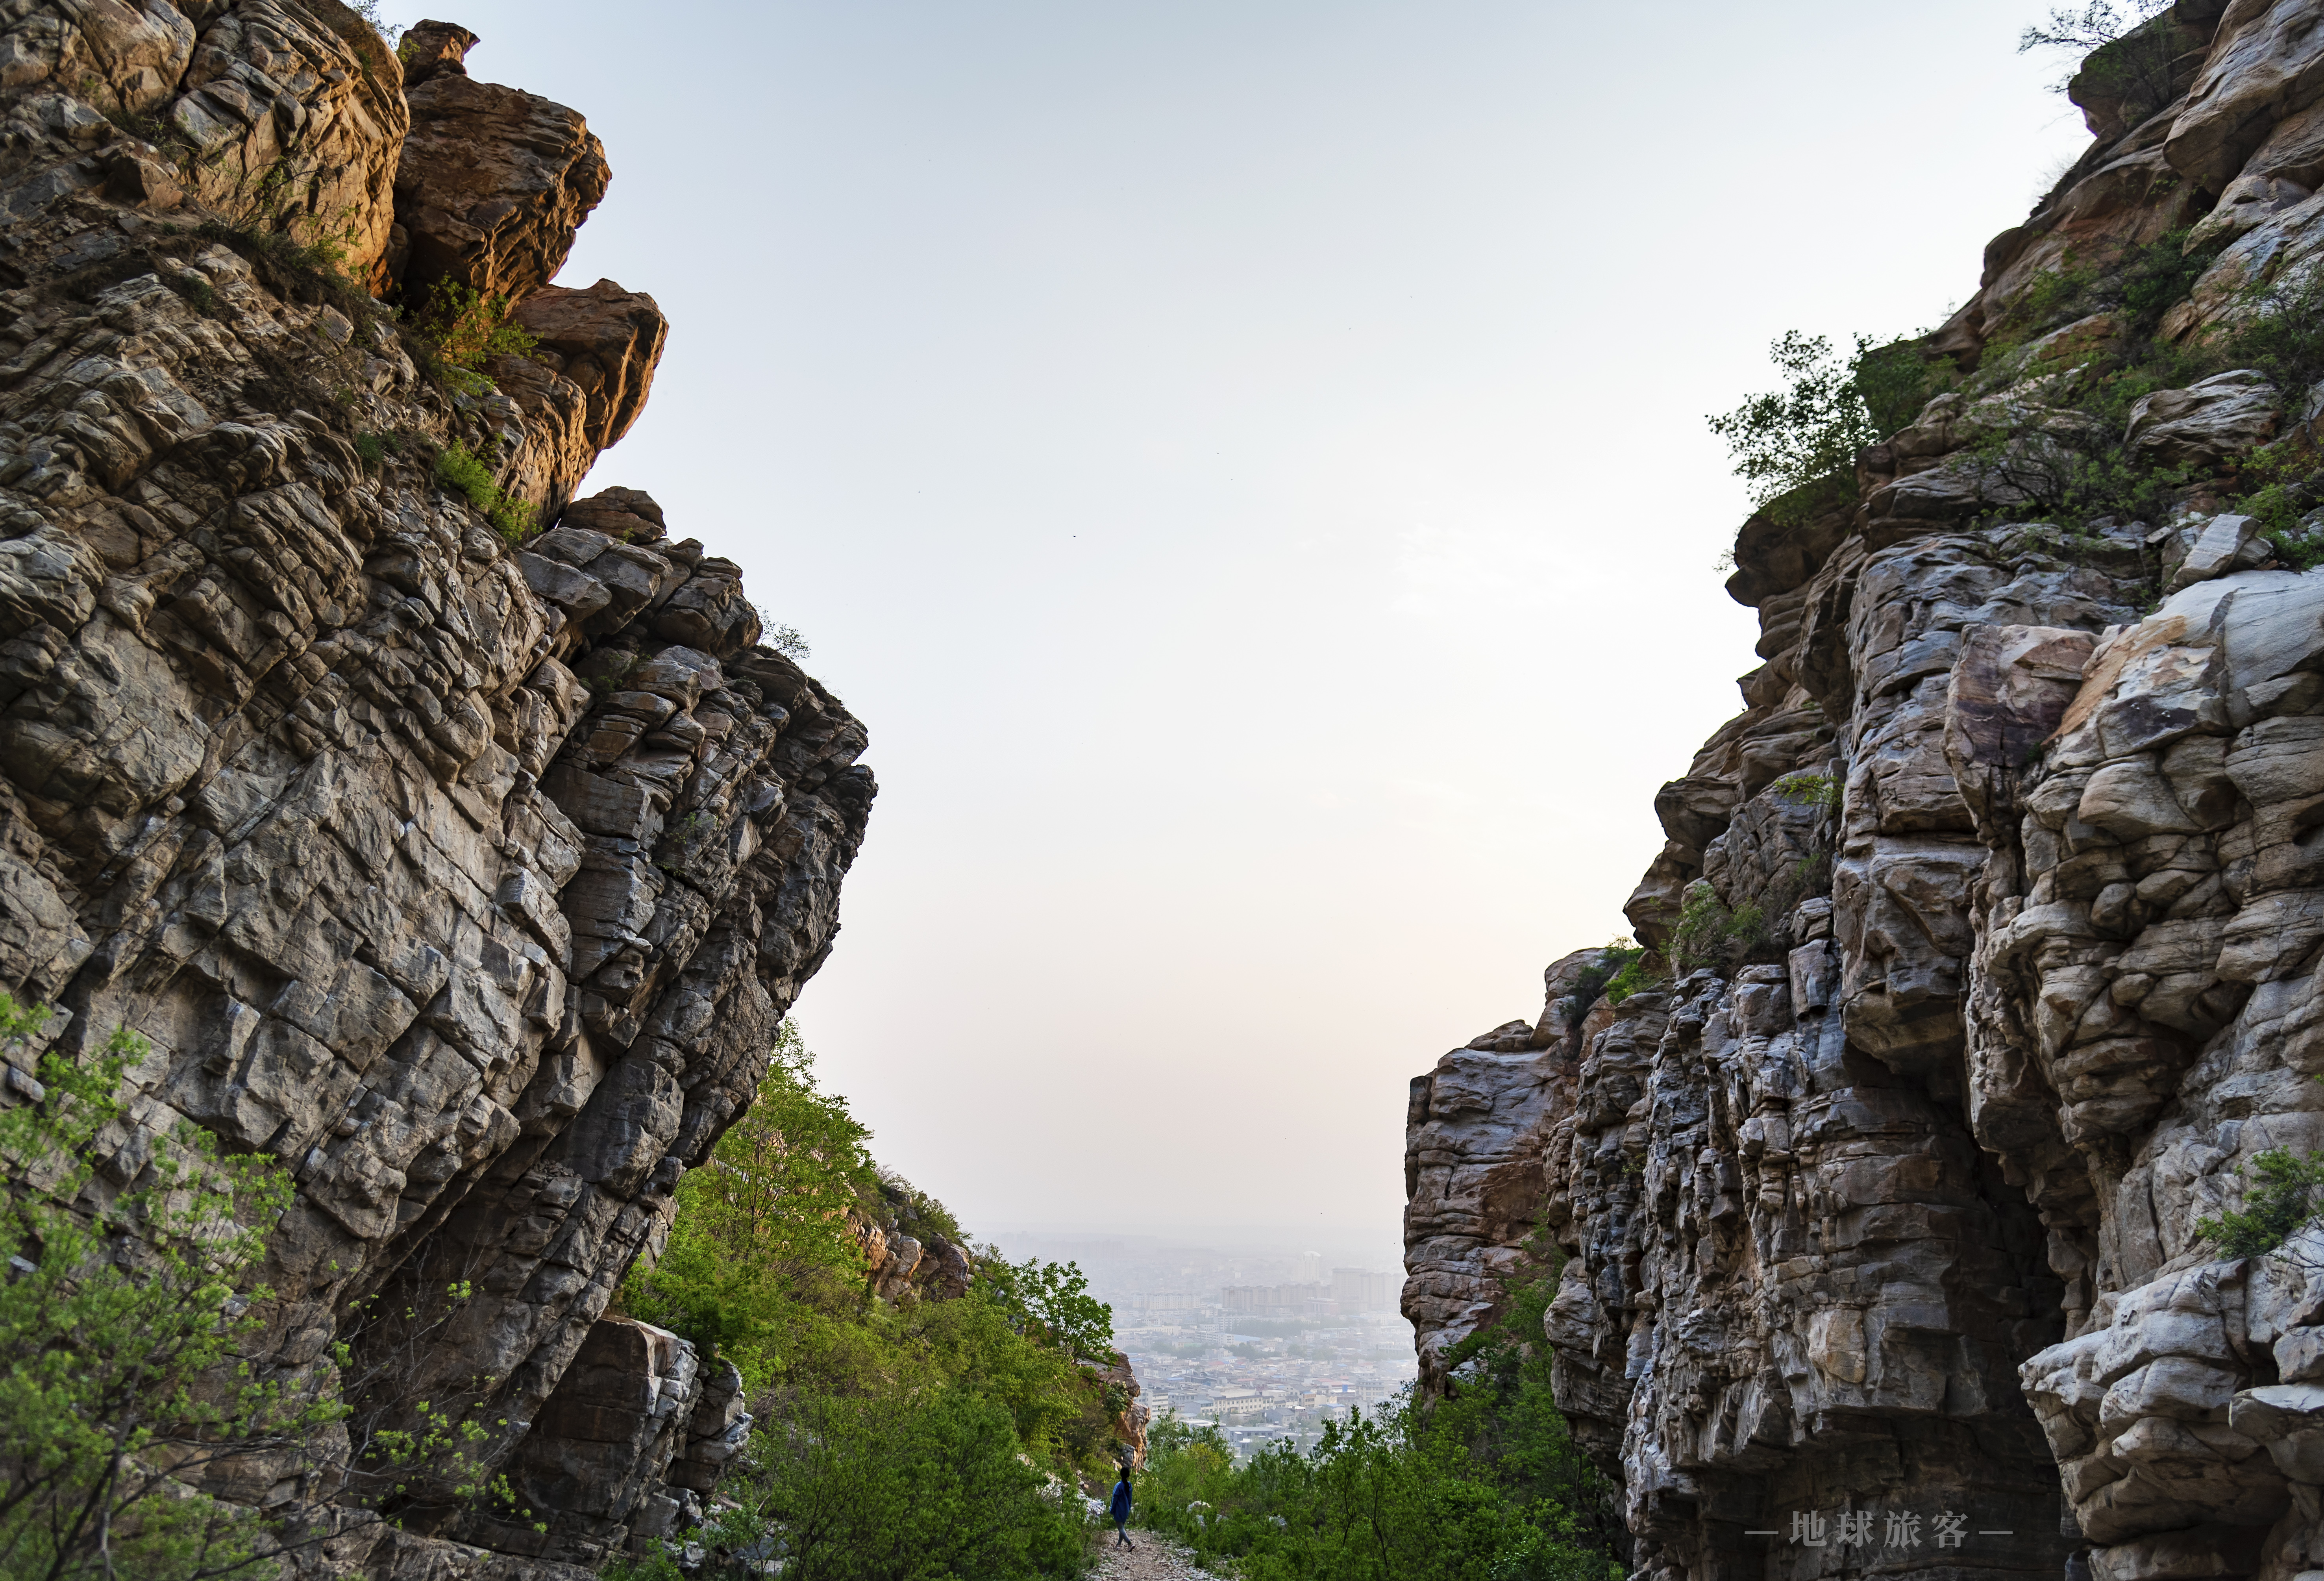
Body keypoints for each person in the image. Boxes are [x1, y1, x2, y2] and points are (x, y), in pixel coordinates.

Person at [1109, 1468, 1134, 1550]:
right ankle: (1119, 1545)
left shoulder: (1119, 1485)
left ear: (1121, 1474)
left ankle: (1130, 1543)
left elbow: (1115, 1498)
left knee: (1120, 1528)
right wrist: (1129, 1508)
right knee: (1122, 1527)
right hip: (1126, 1510)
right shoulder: (1129, 1485)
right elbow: (1130, 1499)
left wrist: (1112, 1509)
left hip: (1119, 1510)